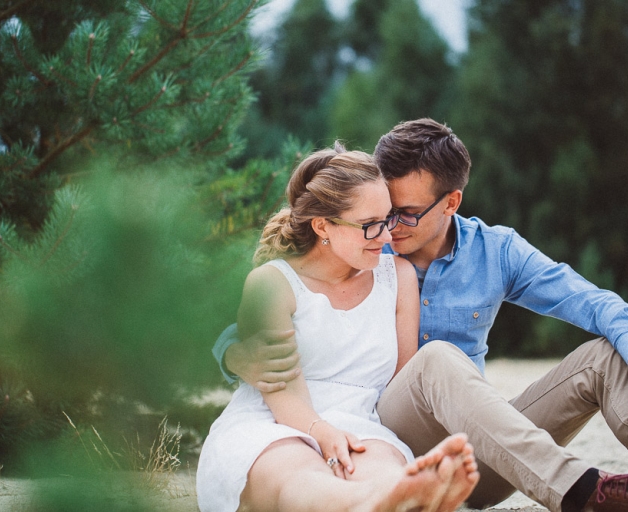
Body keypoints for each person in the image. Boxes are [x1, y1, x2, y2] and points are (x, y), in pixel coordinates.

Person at [213, 119, 628, 512]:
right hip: (388, 429)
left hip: (488, 446)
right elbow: (290, 310)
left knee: (609, 356)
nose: (390, 227)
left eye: (406, 213)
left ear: (451, 202)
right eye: (384, 212)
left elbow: (592, 301)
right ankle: (587, 493)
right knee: (436, 357)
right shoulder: (364, 244)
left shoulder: (495, 252)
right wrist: (234, 354)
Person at [196, 145, 480, 512]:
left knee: (383, 468)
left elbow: (399, 388)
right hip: (277, 421)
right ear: (322, 226)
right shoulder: (271, 283)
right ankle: (372, 502)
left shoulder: (399, 278)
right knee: (298, 476)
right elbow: (282, 391)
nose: (387, 236)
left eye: (388, 218)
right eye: (370, 225)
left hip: (363, 423)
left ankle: (393, 495)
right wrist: (321, 431)